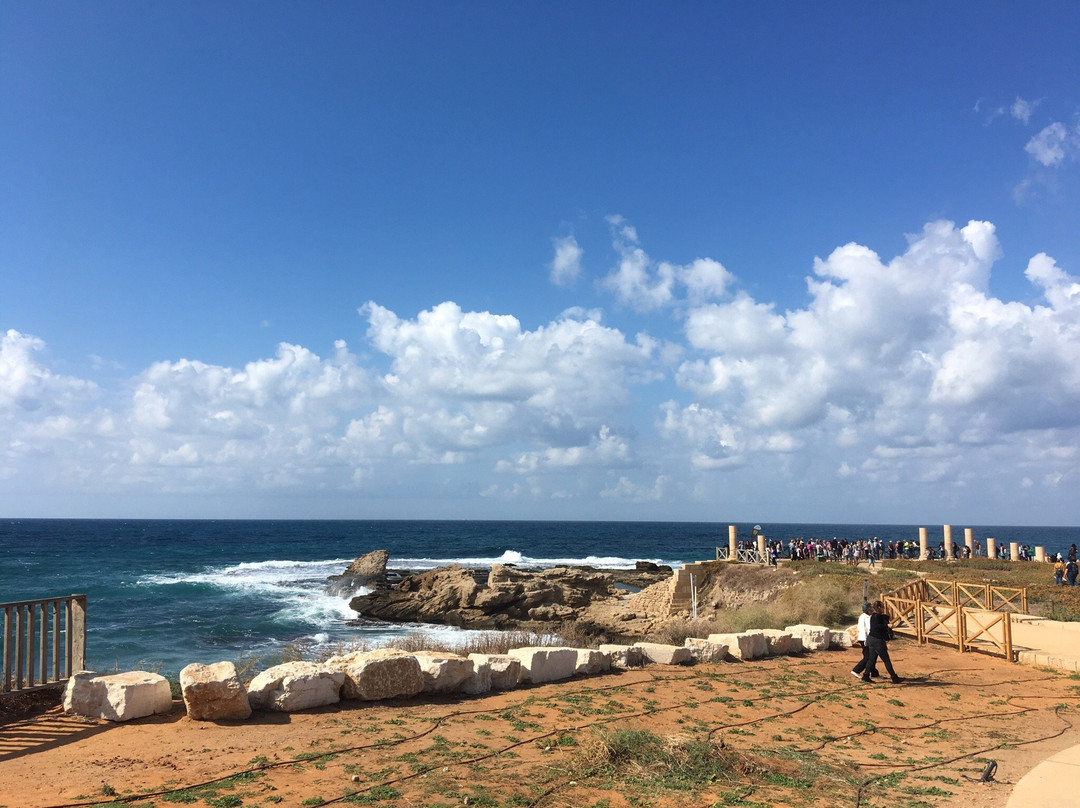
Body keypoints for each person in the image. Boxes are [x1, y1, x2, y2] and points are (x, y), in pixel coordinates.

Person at [862, 601, 902, 684]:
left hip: (872, 639)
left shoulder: (876, 616)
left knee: (872, 659)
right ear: (879, 607)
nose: (884, 608)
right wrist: (887, 626)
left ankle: (865, 676)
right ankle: (894, 677)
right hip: (877, 640)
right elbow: (876, 627)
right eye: (883, 607)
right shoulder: (876, 616)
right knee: (886, 660)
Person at [851, 602, 880, 680]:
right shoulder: (863, 617)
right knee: (868, 657)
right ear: (867, 610)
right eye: (870, 609)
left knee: (873, 656)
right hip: (864, 639)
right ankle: (856, 670)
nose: (872, 611)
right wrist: (866, 640)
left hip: (869, 638)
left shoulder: (869, 616)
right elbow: (863, 629)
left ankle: (874, 672)